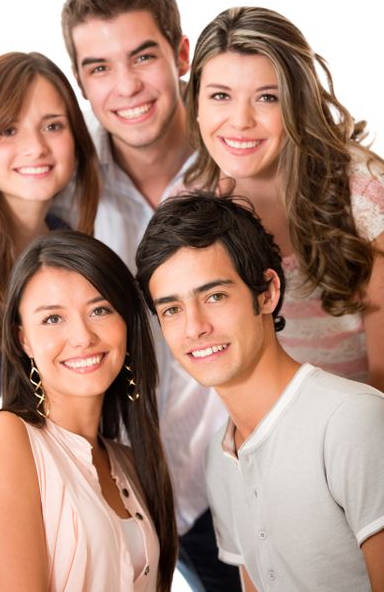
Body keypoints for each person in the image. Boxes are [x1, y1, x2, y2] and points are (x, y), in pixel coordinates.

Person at [54, 0, 238, 591]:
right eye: (98, 67)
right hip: (134, 491)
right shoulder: (65, 195)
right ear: (80, 80)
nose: (125, 87)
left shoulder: (241, 157)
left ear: (181, 53)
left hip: (246, 474)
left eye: (142, 56)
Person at [135, 191, 384, 592]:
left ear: (267, 292)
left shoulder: (352, 421)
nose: (194, 327)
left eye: (214, 296)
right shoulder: (220, 459)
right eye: (172, 309)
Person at [0, 51, 99, 589]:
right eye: (8, 128)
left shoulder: (64, 249)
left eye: (53, 125)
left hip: (40, 530)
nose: (36, 147)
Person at [0, 230, 177, 591]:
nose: (82, 337)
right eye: (53, 319)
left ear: (126, 323)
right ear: (24, 340)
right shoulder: (2, 438)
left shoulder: (132, 463)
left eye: (100, 310)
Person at [184, 6, 384, 391]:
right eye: (221, 95)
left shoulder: (364, 194)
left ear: (297, 104)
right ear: (196, 106)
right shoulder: (195, 206)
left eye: (267, 98)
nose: (240, 120)